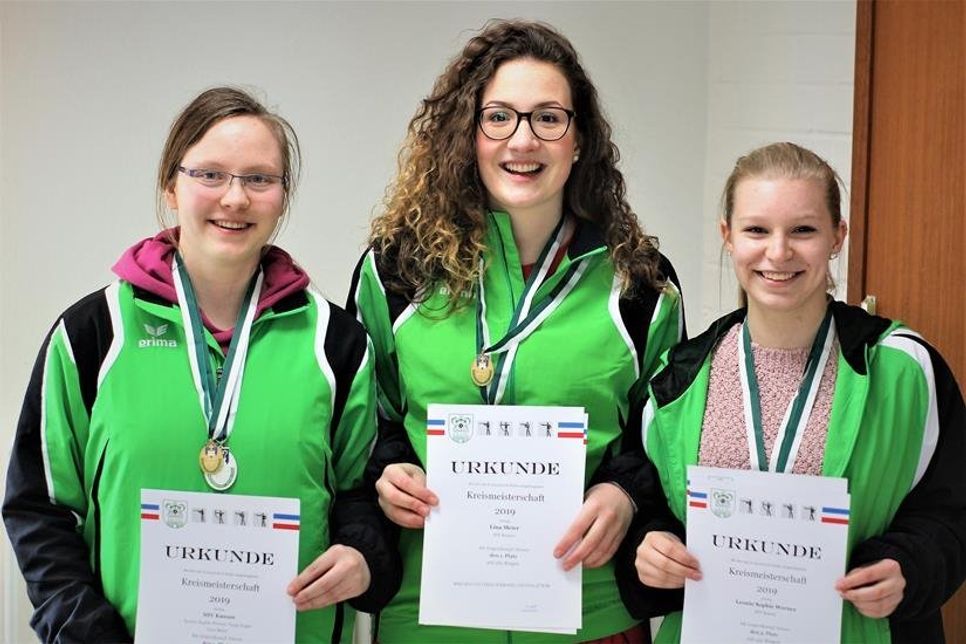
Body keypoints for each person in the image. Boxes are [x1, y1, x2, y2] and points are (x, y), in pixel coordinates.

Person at [2, 87, 400, 643]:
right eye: (210, 175)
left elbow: (362, 490)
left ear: (282, 197)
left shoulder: (337, 345)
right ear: (171, 185)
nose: (234, 198)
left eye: (259, 179)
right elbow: (38, 506)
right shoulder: (91, 335)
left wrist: (362, 554)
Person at [347, 20, 684, 643]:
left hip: (591, 616)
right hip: (429, 616)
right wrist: (387, 473)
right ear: (467, 135)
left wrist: (624, 493)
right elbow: (366, 421)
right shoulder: (398, 269)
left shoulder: (639, 285)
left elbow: (664, 439)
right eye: (498, 116)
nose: (522, 140)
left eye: (548, 118)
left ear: (580, 138)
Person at [619, 142, 966, 643]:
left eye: (803, 230)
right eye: (757, 230)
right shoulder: (677, 381)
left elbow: (952, 509)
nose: (778, 253)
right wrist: (648, 546)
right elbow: (646, 502)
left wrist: (909, 566)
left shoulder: (905, 369)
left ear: (837, 236)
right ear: (728, 237)